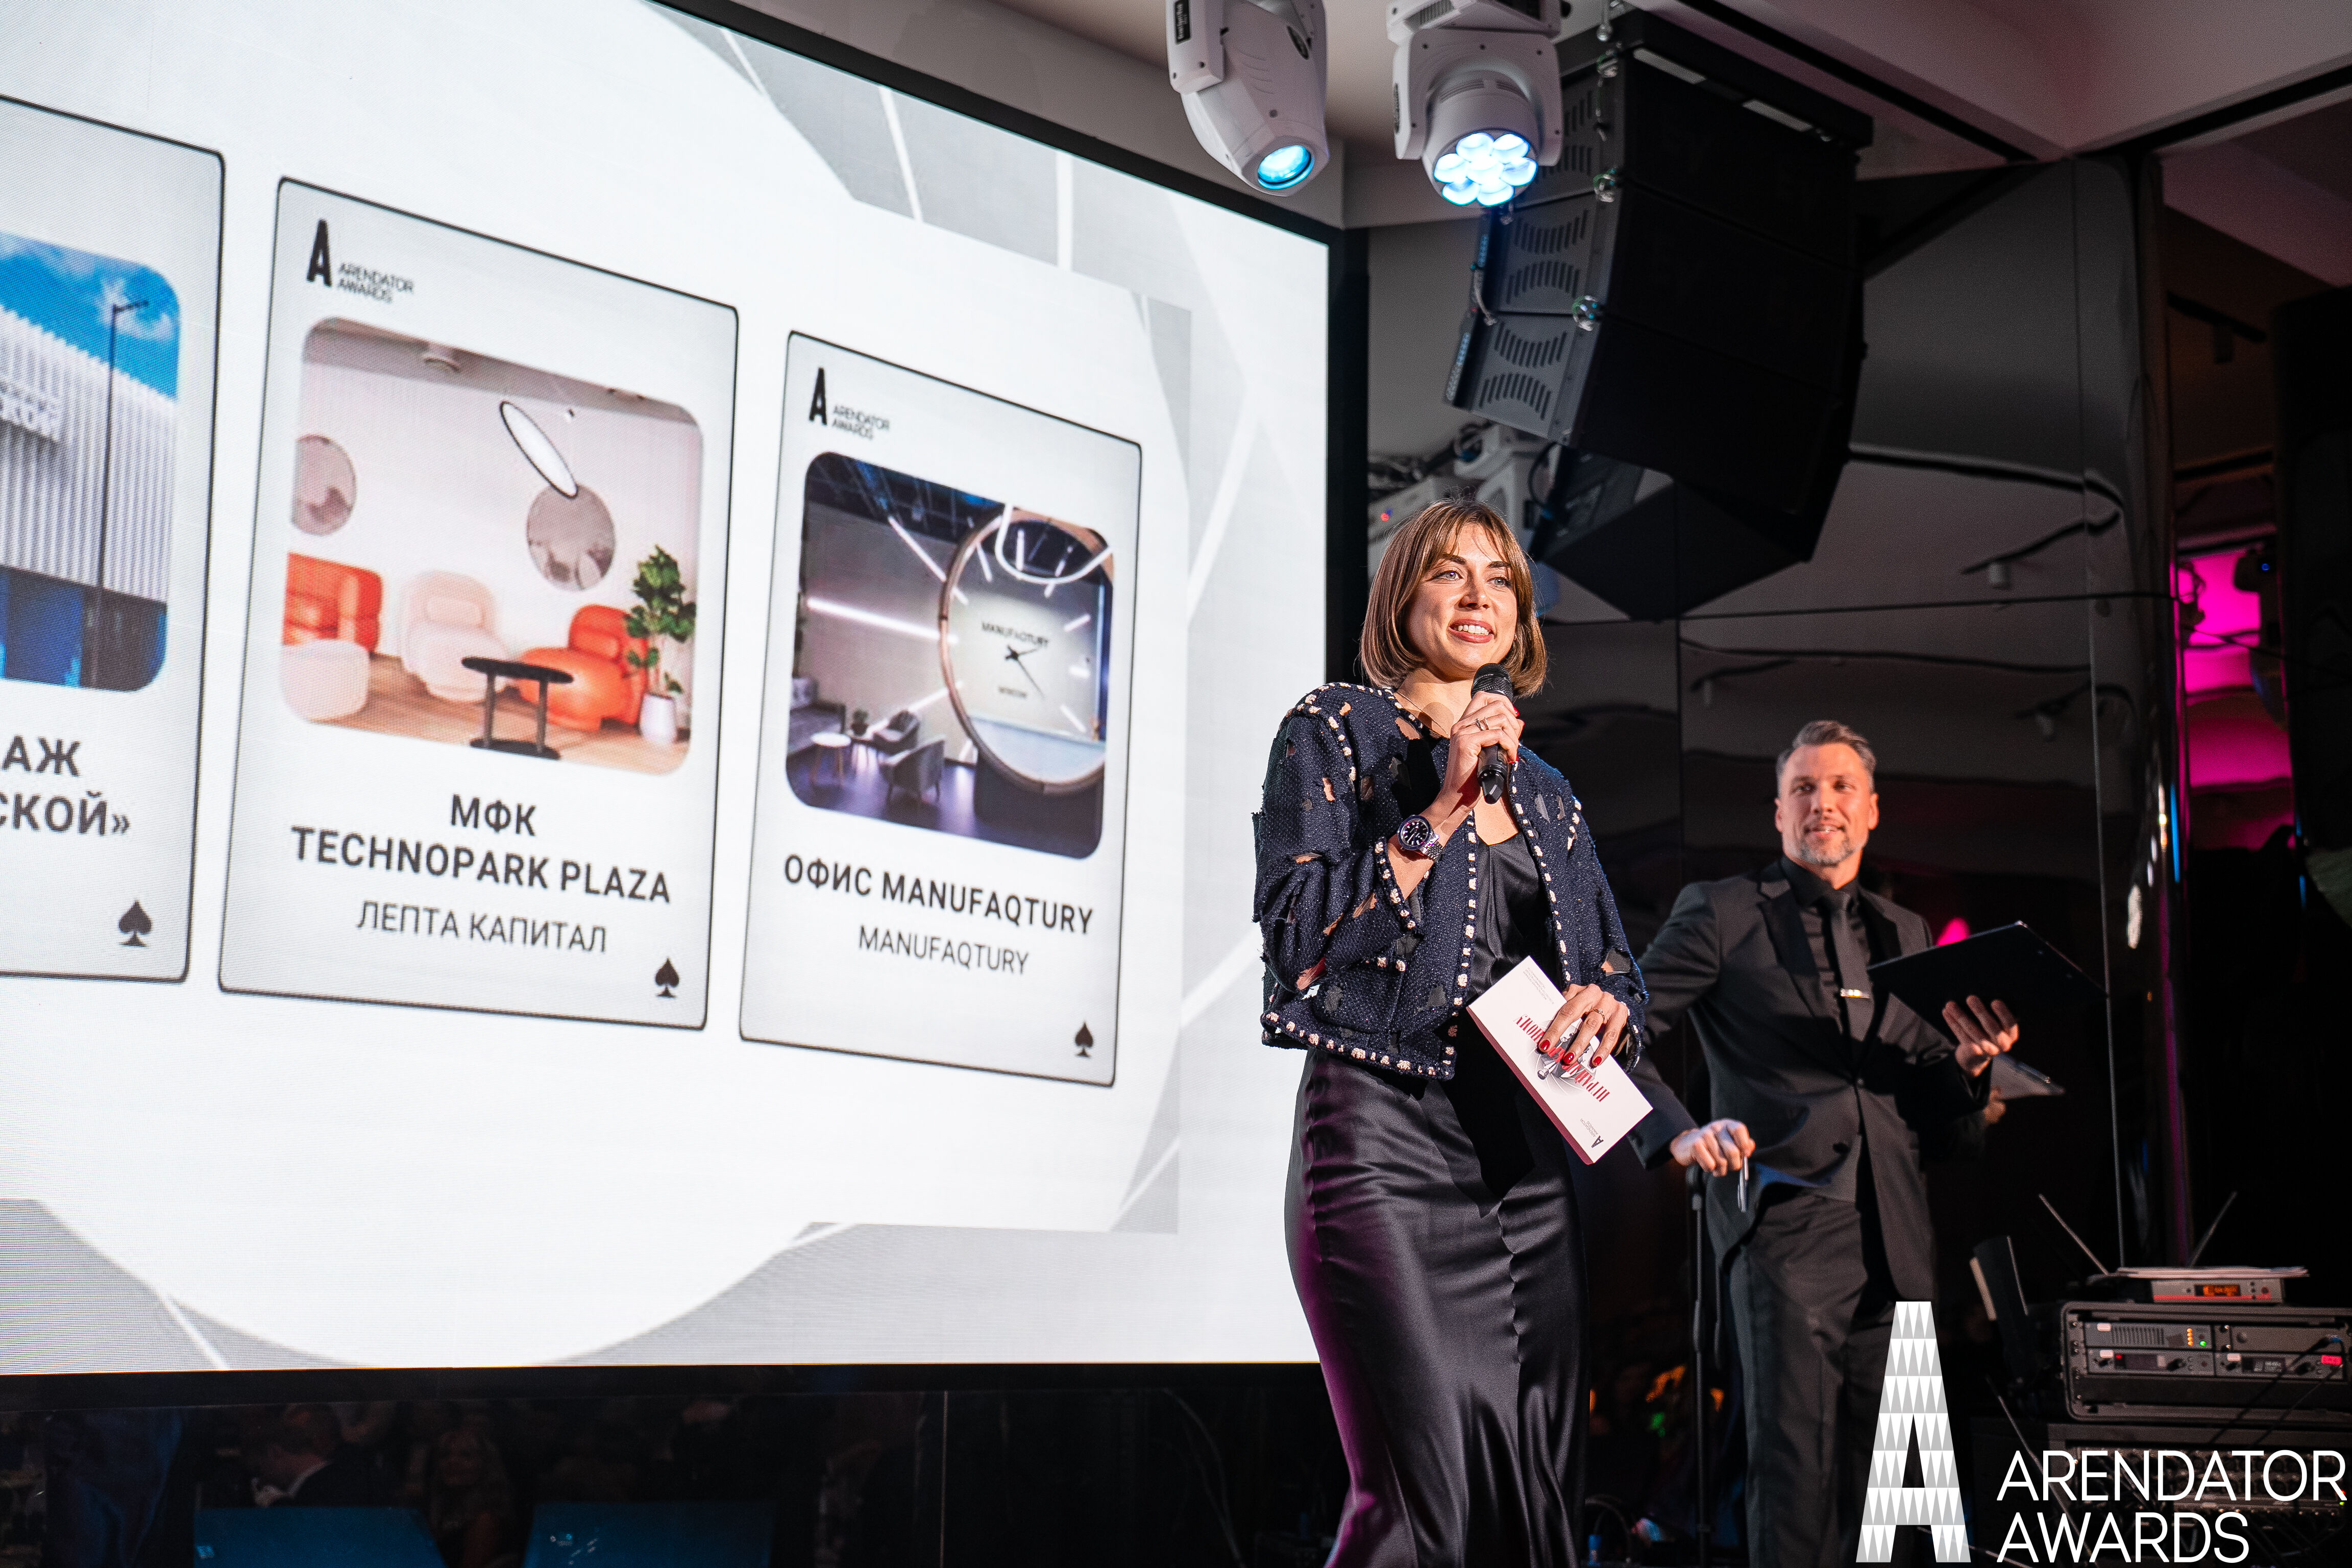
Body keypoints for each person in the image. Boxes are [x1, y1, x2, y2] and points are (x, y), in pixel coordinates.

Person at [1254, 499, 1748, 1566]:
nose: (1477, 595)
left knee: (1532, 1502)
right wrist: (1441, 806)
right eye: (1449, 572)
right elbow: (1297, 938)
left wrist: (1609, 1004)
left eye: (1499, 579)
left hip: (1522, 1176)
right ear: (1404, 597)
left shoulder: (1549, 793)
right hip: (1380, 1146)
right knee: (1422, 1500)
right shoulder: (1333, 730)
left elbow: (1610, 967)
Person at [1623, 720, 2020, 1568]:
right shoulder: (1722, 911)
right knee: (1795, 1484)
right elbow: (1617, 1031)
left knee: (1901, 1504)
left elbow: (1932, 1111)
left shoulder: (1907, 931)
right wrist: (1678, 1132)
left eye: (1841, 787)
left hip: (1899, 1239)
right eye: (1803, 787)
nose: (1823, 802)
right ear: (1778, 813)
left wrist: (1969, 1067)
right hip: (1786, 1232)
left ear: (1871, 810)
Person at [246, 1404, 388, 1507]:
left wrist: (278, 1504)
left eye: (260, 1468)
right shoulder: (349, 1478)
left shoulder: (324, 1490)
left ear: (274, 1452)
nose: (262, 1479)